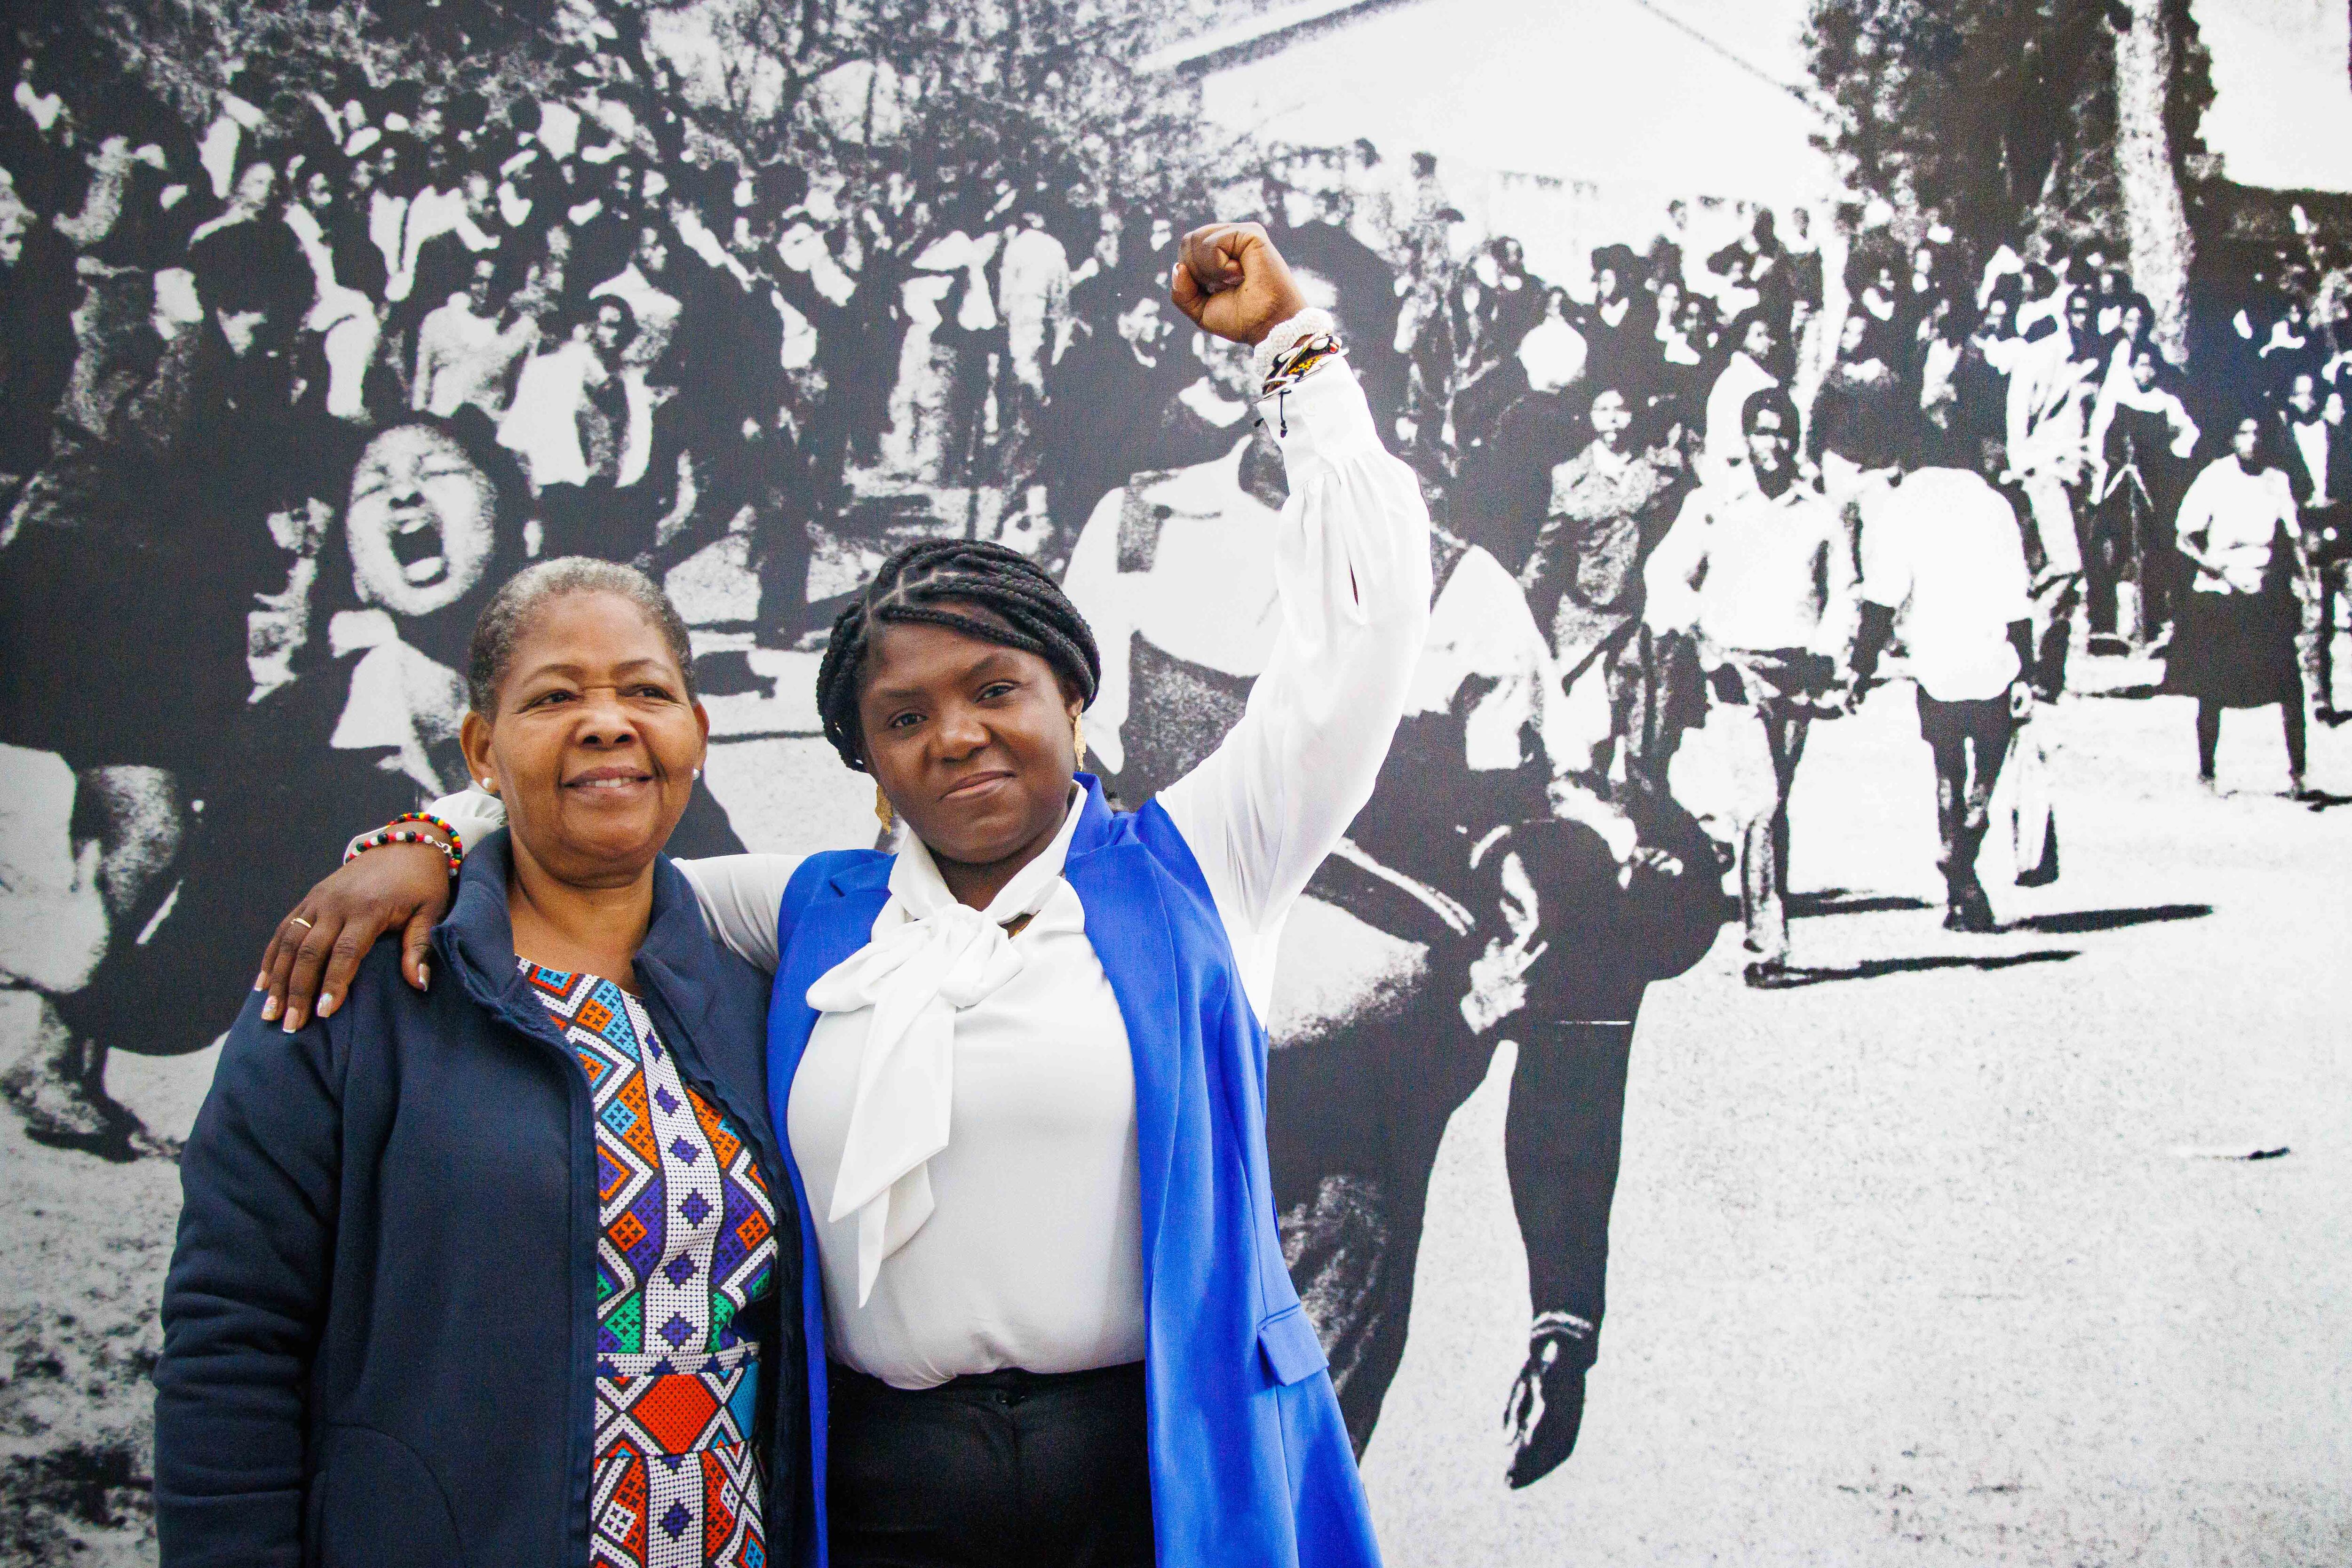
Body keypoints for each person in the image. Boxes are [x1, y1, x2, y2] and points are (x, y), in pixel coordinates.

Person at [249, 222, 1427, 1568]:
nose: (961, 736)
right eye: (905, 713)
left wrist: (1296, 353)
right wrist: (433, 831)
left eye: (1000, 691)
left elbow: (1369, 629)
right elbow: (586, 840)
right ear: (865, 756)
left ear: (1073, 702)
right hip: (884, 1492)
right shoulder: (807, 908)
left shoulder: (1205, 867)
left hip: (1160, 1471)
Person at [155, 560, 803, 1566]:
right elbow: (231, 1337)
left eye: (645, 691)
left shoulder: (758, 984)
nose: (606, 723)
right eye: (554, 697)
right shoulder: (352, 987)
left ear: (696, 734)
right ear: (481, 750)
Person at [1643, 388, 1854, 986]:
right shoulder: (1715, 506)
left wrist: (1829, 654)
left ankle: (1726, 879)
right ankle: (1766, 946)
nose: (1774, 444)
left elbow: (1845, 590)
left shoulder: (1817, 512)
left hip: (1799, 672)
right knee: (1760, 802)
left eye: (1783, 432)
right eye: (1763, 432)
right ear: (1745, 438)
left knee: (1771, 807)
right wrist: (1701, 640)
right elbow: (1664, 572)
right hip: (1734, 669)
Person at [1851, 438, 2042, 931]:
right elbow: (2014, 592)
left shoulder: (1902, 504)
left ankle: (1954, 873)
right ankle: (1968, 850)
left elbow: (1883, 592)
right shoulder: (1993, 504)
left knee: (1945, 772)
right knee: (1985, 778)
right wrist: (2028, 670)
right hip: (1991, 657)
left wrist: (1861, 662)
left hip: (1936, 660)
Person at [2164, 417, 2313, 798]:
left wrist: (2307, 581)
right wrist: (2210, 564)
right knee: (2212, 687)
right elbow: (2184, 536)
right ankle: (2207, 773)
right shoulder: (2215, 476)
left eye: (2258, 434)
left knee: (2290, 685)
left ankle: (2299, 775)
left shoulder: (2276, 480)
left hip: (2263, 589)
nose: (2253, 441)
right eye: (2245, 433)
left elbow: (2294, 536)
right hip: (2220, 590)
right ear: (2232, 438)